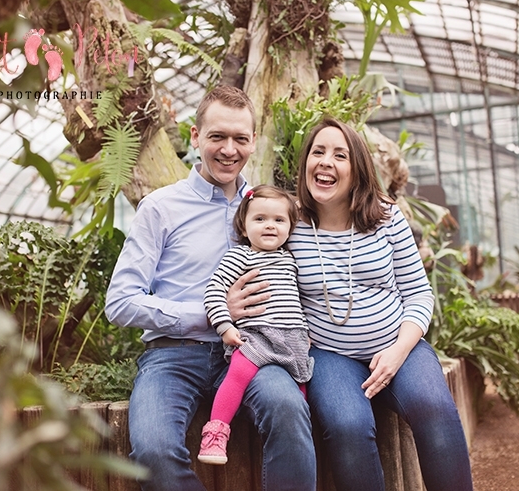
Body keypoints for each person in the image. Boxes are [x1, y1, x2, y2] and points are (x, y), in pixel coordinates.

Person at [229, 118, 473, 491]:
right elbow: (252, 263)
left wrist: (396, 353)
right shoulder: (289, 223)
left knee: (433, 408)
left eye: (339, 155)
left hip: (398, 346)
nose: (326, 161)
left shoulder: (387, 218)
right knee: (348, 426)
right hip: (329, 356)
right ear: (305, 164)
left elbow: (420, 295)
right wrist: (230, 303)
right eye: (318, 152)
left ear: (356, 168)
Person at [105, 85, 316, 491]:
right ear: (195, 136)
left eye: (240, 138)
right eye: (217, 136)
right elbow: (120, 302)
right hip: (172, 356)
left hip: (253, 351)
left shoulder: (267, 209)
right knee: (152, 450)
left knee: (288, 409)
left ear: (253, 141)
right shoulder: (161, 208)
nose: (229, 149)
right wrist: (211, 314)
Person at [198, 184, 314, 465]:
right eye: (259, 219)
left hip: (294, 340)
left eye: (279, 220)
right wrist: (225, 326)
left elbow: (298, 299)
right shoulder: (240, 256)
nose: (269, 226)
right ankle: (215, 434)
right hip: (256, 336)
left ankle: (301, 449)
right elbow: (214, 291)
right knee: (237, 375)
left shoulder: (290, 260)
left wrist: (306, 331)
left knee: (299, 396)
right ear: (244, 224)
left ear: (290, 226)